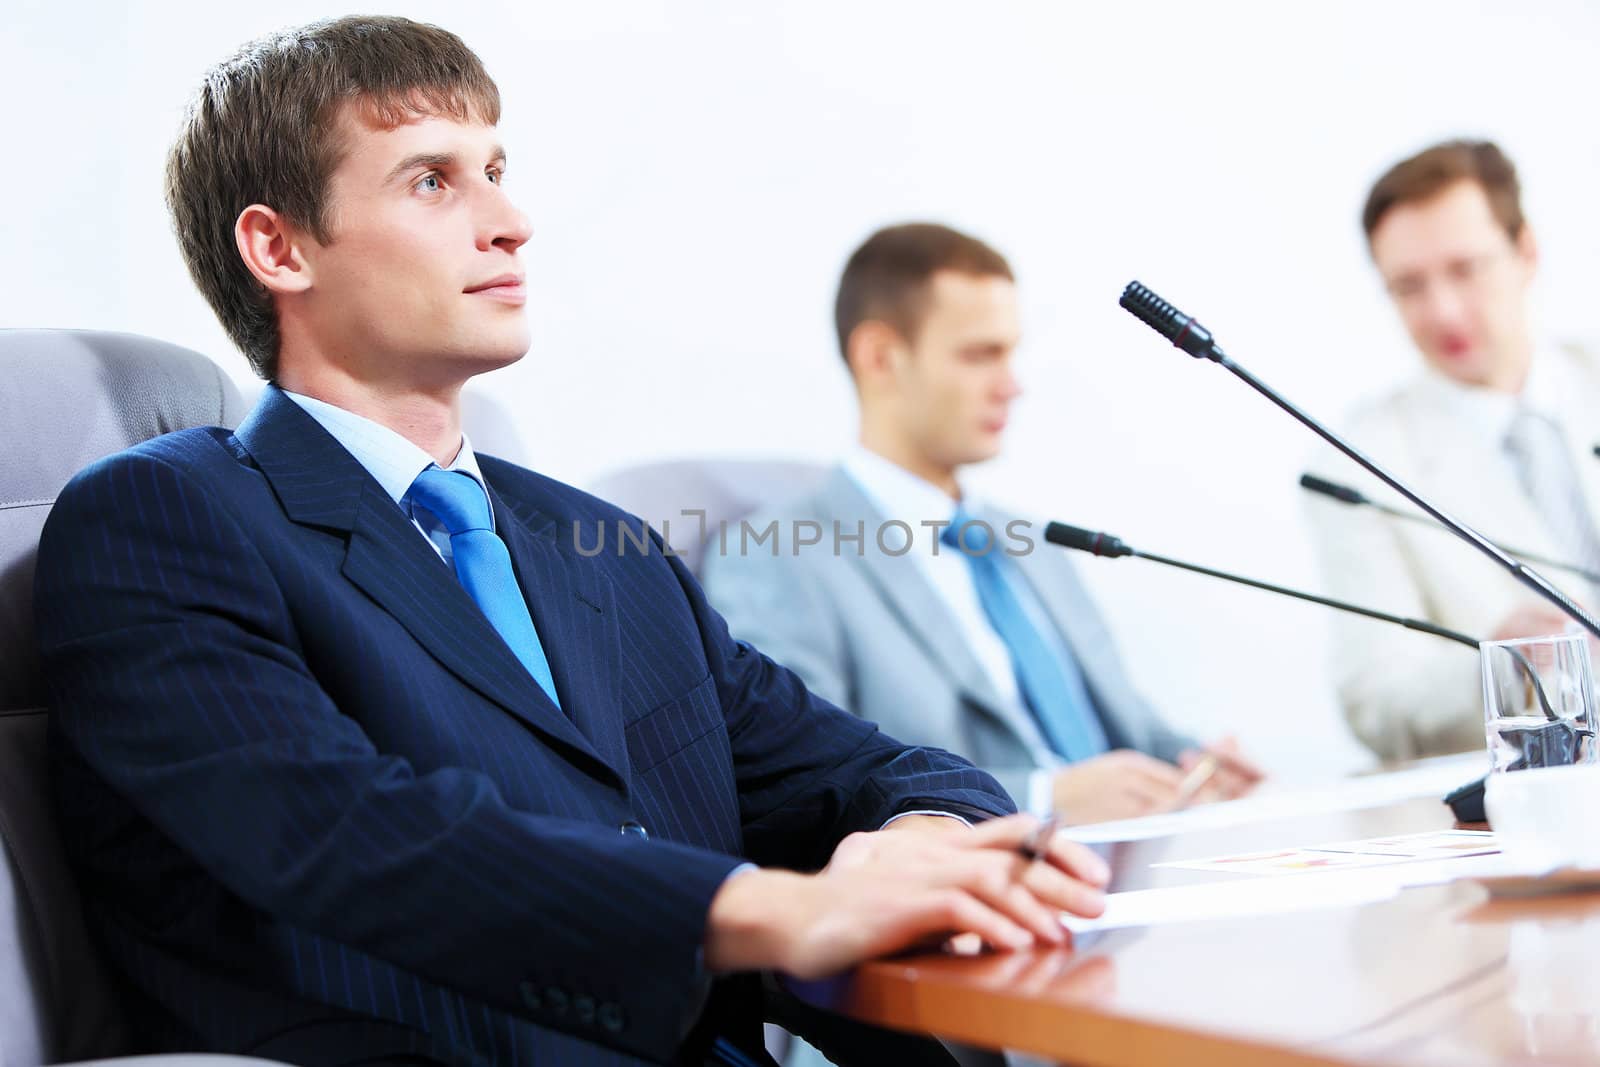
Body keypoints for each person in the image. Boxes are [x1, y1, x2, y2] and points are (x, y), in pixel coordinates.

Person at [31, 19, 1111, 1067]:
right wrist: (773, 904)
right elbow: (348, 833)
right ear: (277, 245)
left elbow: (864, 763)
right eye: (432, 180)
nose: (509, 220)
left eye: (498, 168)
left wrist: (923, 831)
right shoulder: (164, 517)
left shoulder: (595, 543)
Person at [702, 223, 1261, 825]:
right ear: (880, 357)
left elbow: (1127, 729)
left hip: (1144, 859)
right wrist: (1044, 798)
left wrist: (1189, 765)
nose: (1012, 386)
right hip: (997, 883)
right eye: (978, 355)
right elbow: (803, 786)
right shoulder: (776, 556)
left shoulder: (1033, 543)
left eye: (1011, 352)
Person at [1303, 139, 1600, 761]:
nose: (1442, 311)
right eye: (1409, 286)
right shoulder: (1358, 463)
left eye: (1466, 270)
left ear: (1526, 252)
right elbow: (1378, 704)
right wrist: (1499, 669)